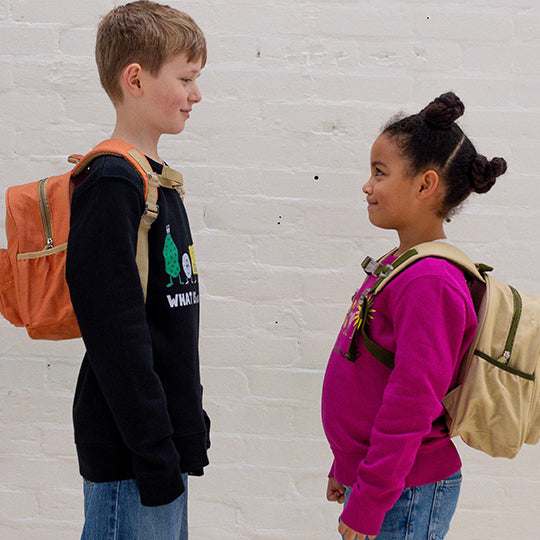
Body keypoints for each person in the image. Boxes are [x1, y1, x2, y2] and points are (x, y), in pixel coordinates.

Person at [321, 92, 507, 540]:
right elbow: (366, 373)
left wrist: (369, 500)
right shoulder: (400, 263)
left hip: (405, 491)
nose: (367, 186)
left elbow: (412, 403)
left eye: (379, 173)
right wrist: (348, 467)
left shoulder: (430, 282)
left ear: (425, 185)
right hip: (383, 483)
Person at [65, 2, 210, 538]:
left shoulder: (155, 180)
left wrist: (186, 427)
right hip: (131, 451)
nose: (197, 95)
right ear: (136, 79)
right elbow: (116, 334)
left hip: (157, 444)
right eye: (187, 78)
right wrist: (153, 450)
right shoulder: (112, 184)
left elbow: (168, 325)